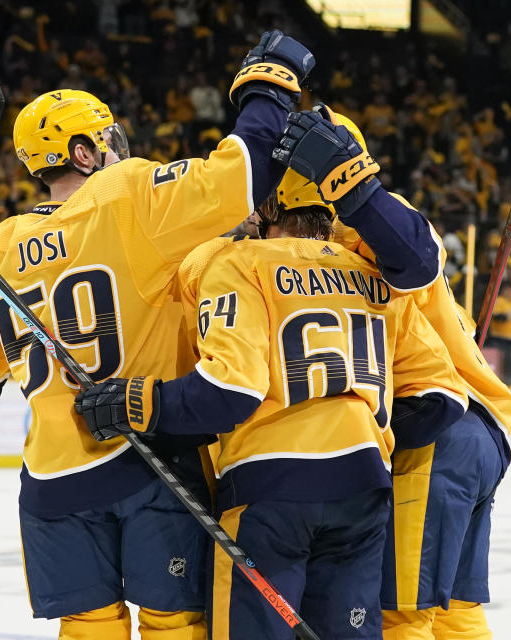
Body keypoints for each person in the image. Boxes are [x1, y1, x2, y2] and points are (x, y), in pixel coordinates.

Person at [0, 30, 316, 640]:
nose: (119, 148)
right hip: (150, 457)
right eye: (108, 139)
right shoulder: (130, 193)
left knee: (88, 630)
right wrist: (269, 84)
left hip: (54, 480)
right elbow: (242, 172)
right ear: (85, 153)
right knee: (173, 626)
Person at [75, 188, 469, 640]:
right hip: (363, 491)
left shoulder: (240, 262)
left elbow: (229, 391)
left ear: (266, 210)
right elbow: (442, 397)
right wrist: (359, 429)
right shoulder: (376, 275)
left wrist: (138, 403)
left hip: (270, 493)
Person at [277, 107, 511, 639]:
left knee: (400, 614)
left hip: (435, 434)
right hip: (475, 431)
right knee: (453, 609)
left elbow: (415, 259)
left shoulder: (362, 223)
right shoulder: (375, 220)